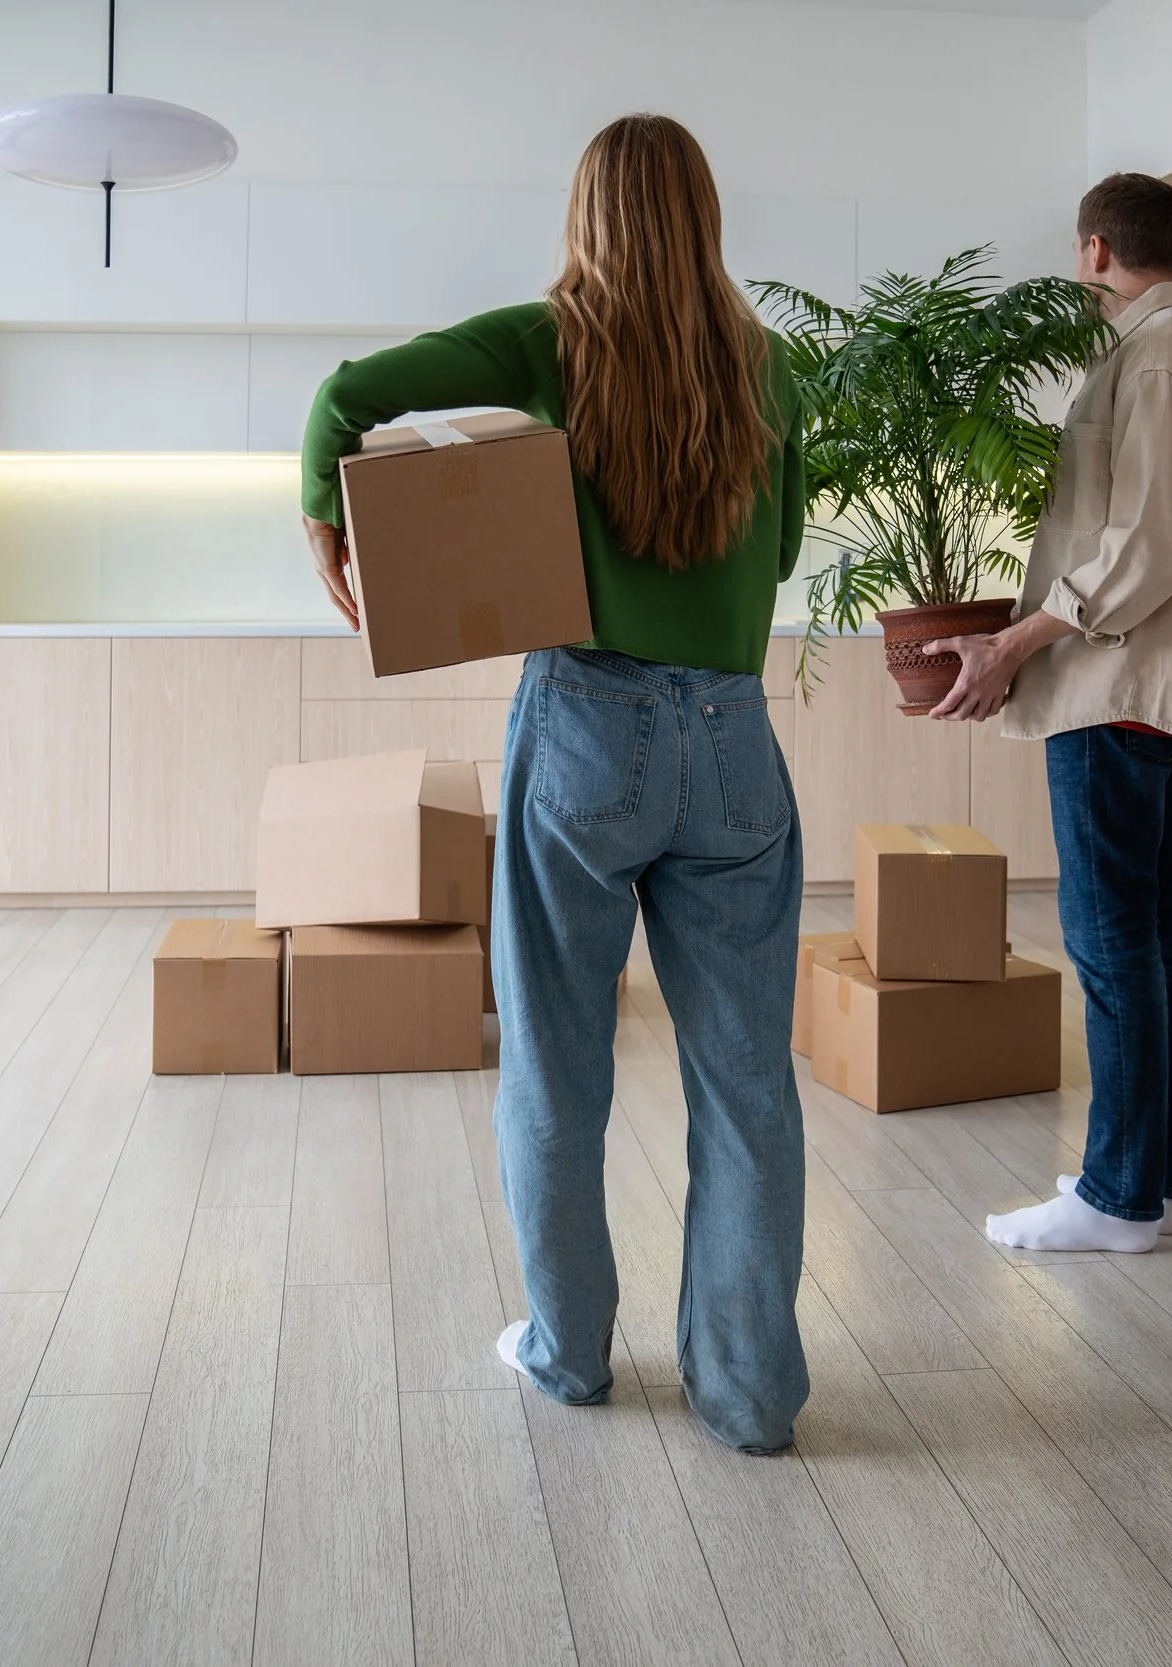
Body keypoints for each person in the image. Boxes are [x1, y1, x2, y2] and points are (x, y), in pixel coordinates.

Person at [298, 115, 810, 1453]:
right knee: (748, 1082)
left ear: (587, 212)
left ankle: (569, 1352)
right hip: (737, 736)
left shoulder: (548, 342)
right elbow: (793, 539)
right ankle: (751, 1393)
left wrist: (320, 510)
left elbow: (347, 394)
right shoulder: (772, 367)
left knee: (556, 1065)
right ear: (702, 212)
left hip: (588, 721)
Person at [922, 172, 1172, 1254]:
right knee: (1149, 933)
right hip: (1137, 689)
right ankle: (1144, 1180)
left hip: (1118, 686)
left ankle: (1118, 1197)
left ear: (1096, 250)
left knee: (1115, 939)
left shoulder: (1157, 356)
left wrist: (1017, 640)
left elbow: (1150, 544)